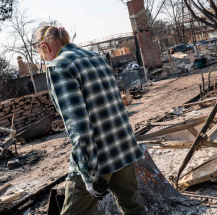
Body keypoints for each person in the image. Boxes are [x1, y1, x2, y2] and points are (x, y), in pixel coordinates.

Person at [32, 26, 146, 215]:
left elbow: (78, 126)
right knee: (134, 209)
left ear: (44, 46)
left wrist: (89, 174)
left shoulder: (59, 67)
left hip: (97, 159)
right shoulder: (97, 58)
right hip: (123, 149)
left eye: (40, 53)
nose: (43, 59)